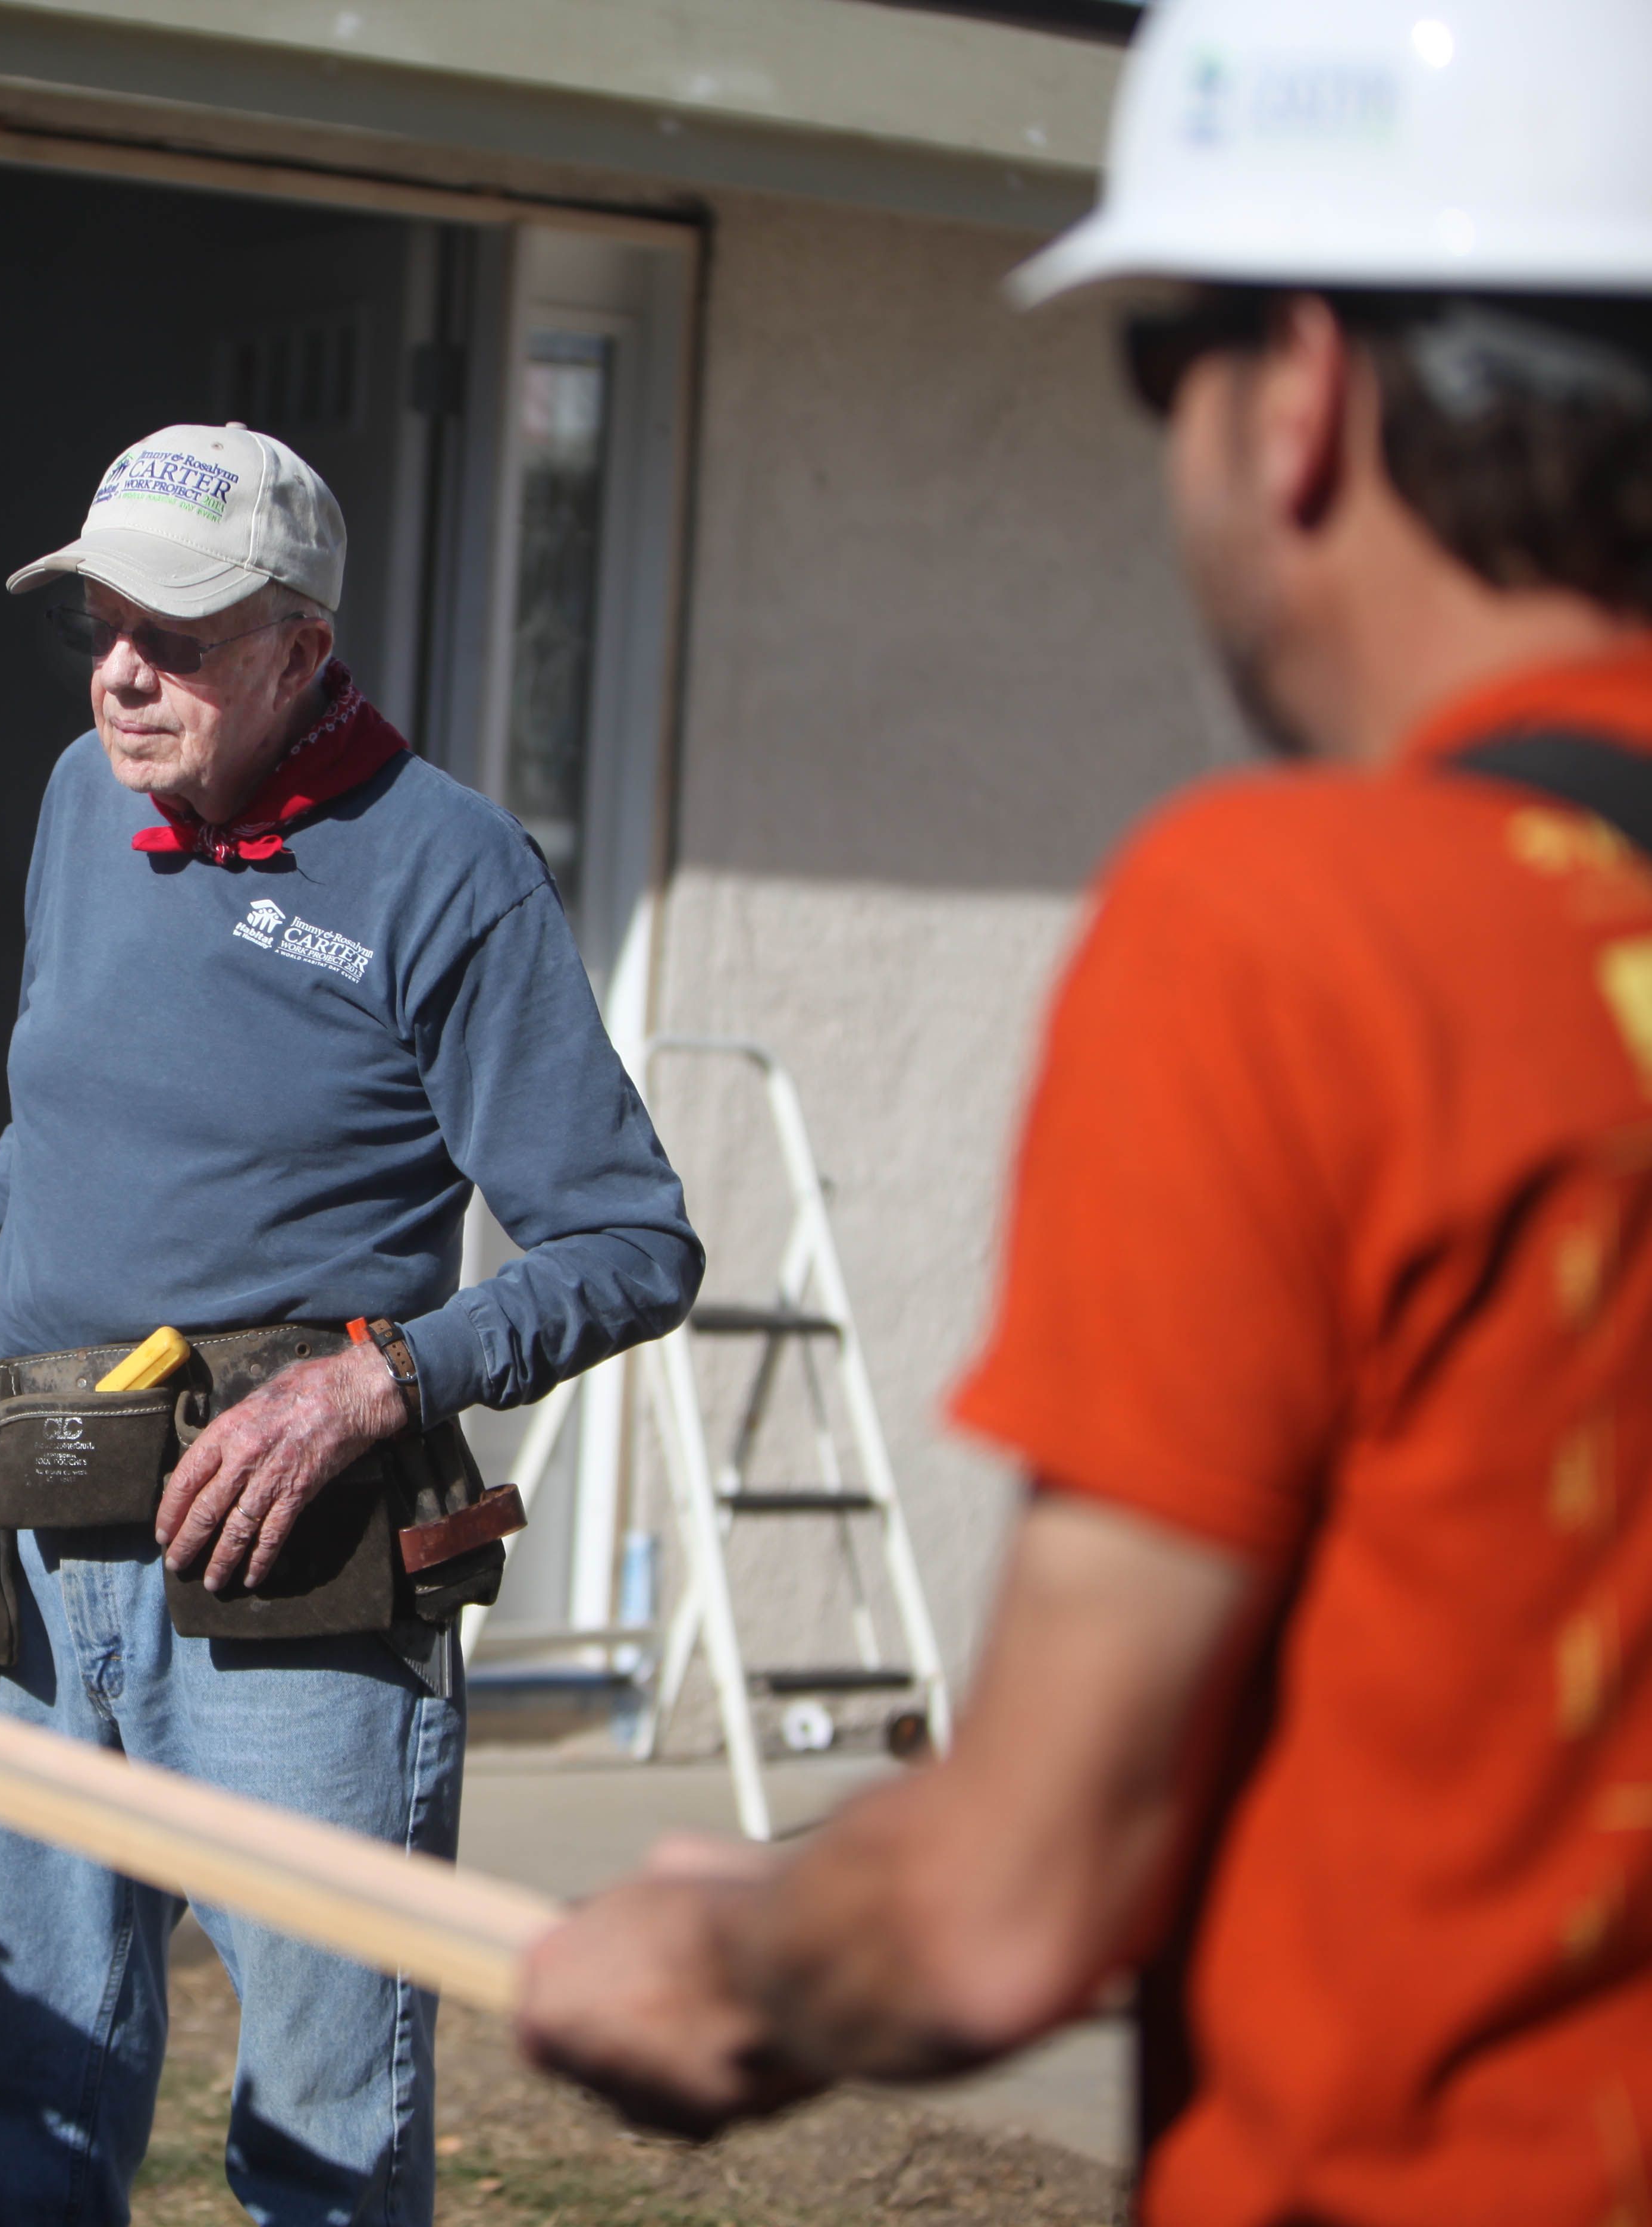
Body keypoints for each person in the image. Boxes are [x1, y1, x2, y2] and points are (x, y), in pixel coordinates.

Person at [511, 2, 1652, 2219]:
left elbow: (1006, 1902)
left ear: (1303, 390)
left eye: (1167, 367)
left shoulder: (1307, 931)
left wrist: (730, 1953)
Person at [0, 421, 700, 2224]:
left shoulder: (447, 869)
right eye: (104, 624)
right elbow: (52, 1114)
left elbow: (632, 1243)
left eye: (172, 638)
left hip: (294, 1577)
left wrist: (371, 1386)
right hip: (40, 1529)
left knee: (324, 2136)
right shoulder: (77, 803)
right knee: (20, 2099)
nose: (120, 673)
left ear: (302, 650)